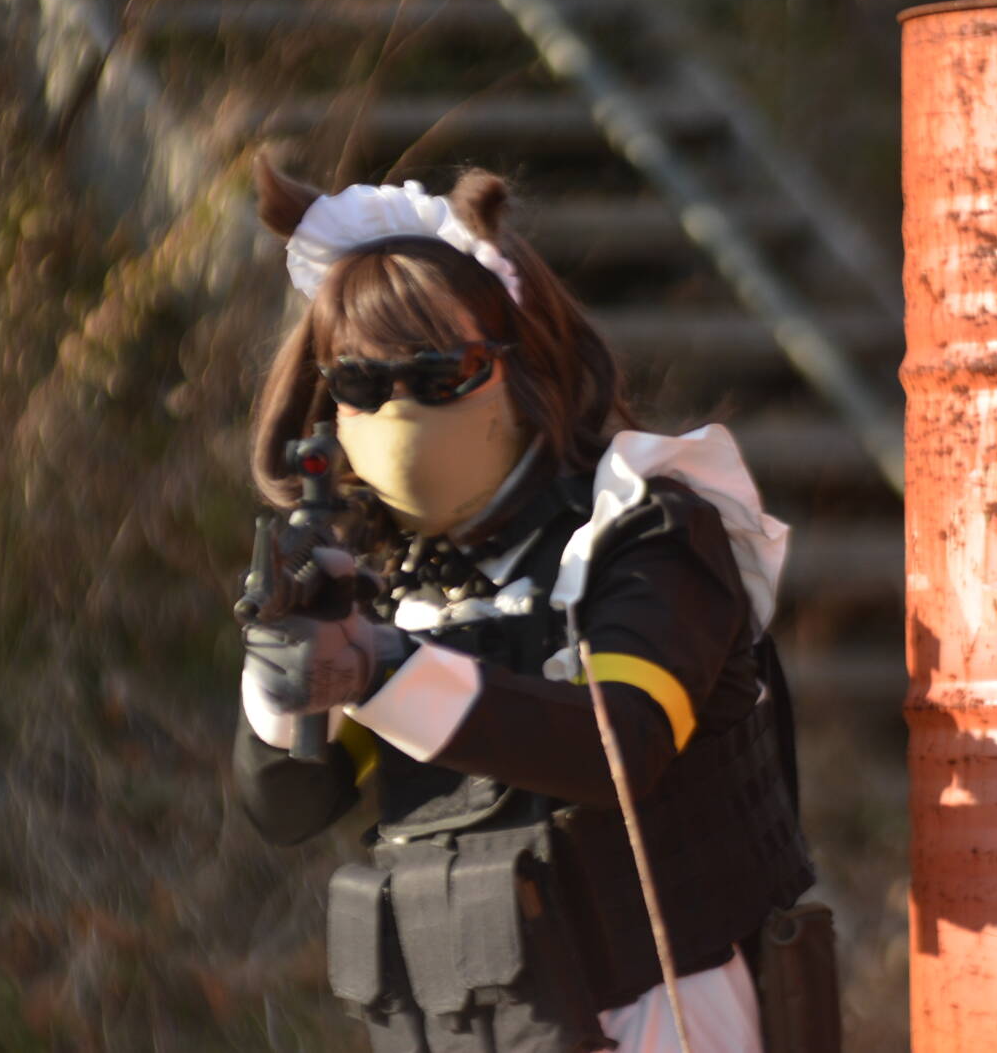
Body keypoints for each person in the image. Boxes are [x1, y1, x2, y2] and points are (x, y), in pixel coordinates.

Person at [234, 156, 815, 1053]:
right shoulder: (384, 581)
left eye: (441, 375)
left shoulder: (646, 528)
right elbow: (288, 808)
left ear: (522, 366)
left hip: (663, 1014)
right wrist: (286, 681)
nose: (399, 408)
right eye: (362, 384)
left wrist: (383, 668)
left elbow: (619, 746)